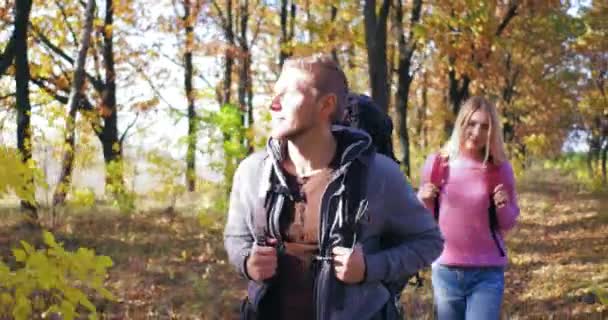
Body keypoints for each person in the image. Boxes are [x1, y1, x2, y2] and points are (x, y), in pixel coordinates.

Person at [224, 53, 443, 320]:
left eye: (287, 94)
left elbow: (428, 242)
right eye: (273, 93)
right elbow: (236, 238)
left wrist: (369, 268)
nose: (273, 104)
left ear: (326, 104)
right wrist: (248, 262)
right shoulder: (252, 172)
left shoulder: (378, 174)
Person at [417, 96, 520, 320]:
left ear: (492, 132)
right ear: (461, 124)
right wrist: (422, 199)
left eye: (485, 126)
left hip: (487, 273)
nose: (477, 132)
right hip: (445, 271)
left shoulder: (499, 168)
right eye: (471, 124)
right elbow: (423, 222)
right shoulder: (438, 164)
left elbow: (509, 221)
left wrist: (503, 207)